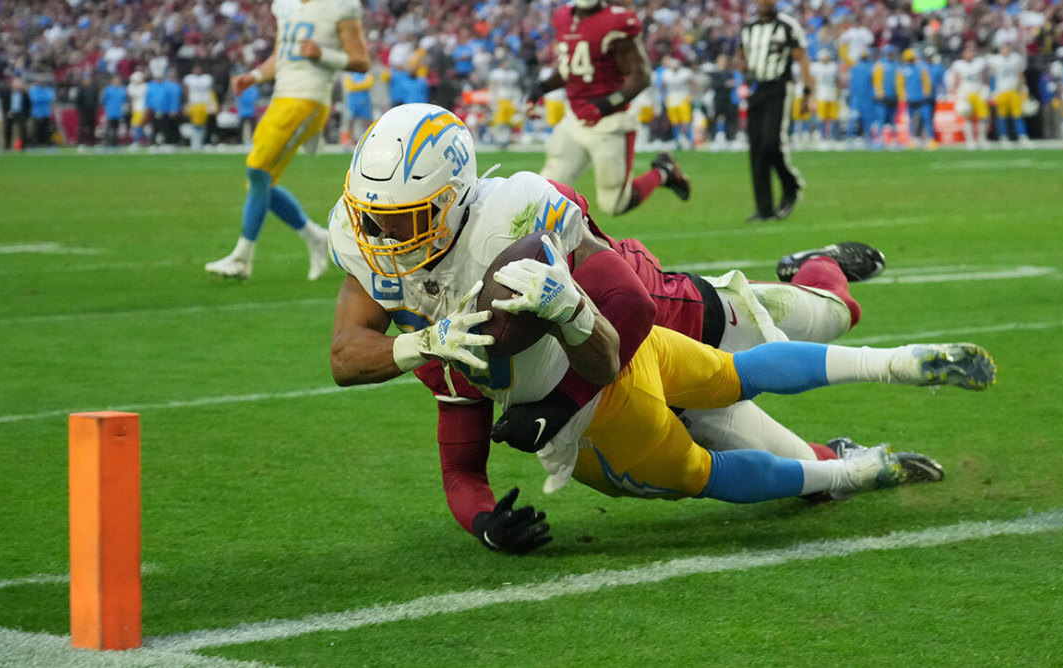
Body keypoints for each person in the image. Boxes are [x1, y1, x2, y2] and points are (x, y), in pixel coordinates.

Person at [326, 103, 997, 555]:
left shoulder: (517, 215)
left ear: (456, 200)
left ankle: (818, 267)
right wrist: (422, 347)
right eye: (373, 217)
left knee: (825, 318)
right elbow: (356, 358)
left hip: (660, 317)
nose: (381, 237)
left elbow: (626, 315)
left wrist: (554, 406)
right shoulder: (426, 316)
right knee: (800, 470)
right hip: (610, 397)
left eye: (405, 217)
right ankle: (844, 459)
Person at [204, 0, 370, 282]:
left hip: (309, 99)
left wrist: (323, 55)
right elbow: (283, 55)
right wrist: (255, 75)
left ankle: (242, 258)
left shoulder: (339, 5)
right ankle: (315, 236)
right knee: (261, 180)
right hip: (282, 99)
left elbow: (361, 61)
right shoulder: (285, 5)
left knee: (258, 170)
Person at [525, 0, 691, 217]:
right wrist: (541, 88)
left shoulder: (616, 21)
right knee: (544, 191)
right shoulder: (564, 18)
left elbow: (641, 76)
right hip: (574, 119)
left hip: (610, 123)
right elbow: (573, 68)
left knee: (614, 204)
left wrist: (605, 104)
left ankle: (664, 172)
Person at [737, 0, 813, 222]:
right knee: (756, 147)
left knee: (772, 142)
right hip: (756, 88)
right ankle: (764, 209)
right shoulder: (749, 28)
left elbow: (802, 59)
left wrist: (807, 93)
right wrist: (742, 67)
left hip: (780, 88)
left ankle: (791, 185)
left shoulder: (788, 26)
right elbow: (741, 56)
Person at [948, 42, 989, 150]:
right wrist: (956, 93)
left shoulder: (980, 62)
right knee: (967, 117)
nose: (970, 54)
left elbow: (985, 76)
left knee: (983, 117)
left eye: (972, 51)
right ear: (963, 53)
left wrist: (987, 88)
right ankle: (970, 140)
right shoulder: (958, 64)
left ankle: (982, 139)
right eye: (968, 52)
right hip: (966, 93)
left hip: (979, 92)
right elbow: (956, 80)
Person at [988, 43, 1030, 147]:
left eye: (1007, 48)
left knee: (1018, 114)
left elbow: (1020, 74)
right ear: (1000, 50)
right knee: (1001, 116)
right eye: (1003, 49)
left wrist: (1024, 87)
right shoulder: (995, 60)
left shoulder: (1015, 59)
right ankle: (1003, 136)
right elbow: (992, 75)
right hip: (1001, 91)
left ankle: (1022, 136)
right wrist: (993, 90)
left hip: (1014, 91)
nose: (1005, 51)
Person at [898, 48, 934, 148]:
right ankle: (914, 139)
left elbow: (926, 81)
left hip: (921, 99)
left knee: (926, 119)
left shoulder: (921, 68)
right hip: (911, 99)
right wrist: (902, 95)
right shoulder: (903, 69)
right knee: (912, 120)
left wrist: (926, 92)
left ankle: (930, 139)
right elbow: (900, 84)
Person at [182, 64, 214, 151]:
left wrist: (212, 104)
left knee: (203, 124)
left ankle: (202, 143)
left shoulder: (207, 78)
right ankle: (194, 143)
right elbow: (186, 91)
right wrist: (186, 103)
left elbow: (210, 91)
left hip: (204, 103)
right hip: (194, 103)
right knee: (195, 124)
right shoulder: (189, 78)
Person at [100, 75, 127, 148]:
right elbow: (103, 100)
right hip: (110, 112)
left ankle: (115, 142)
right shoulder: (108, 89)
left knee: (116, 129)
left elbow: (125, 101)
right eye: (115, 80)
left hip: (118, 113)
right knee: (109, 128)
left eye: (118, 80)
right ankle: (107, 142)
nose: (116, 82)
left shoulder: (122, 90)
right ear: (112, 81)